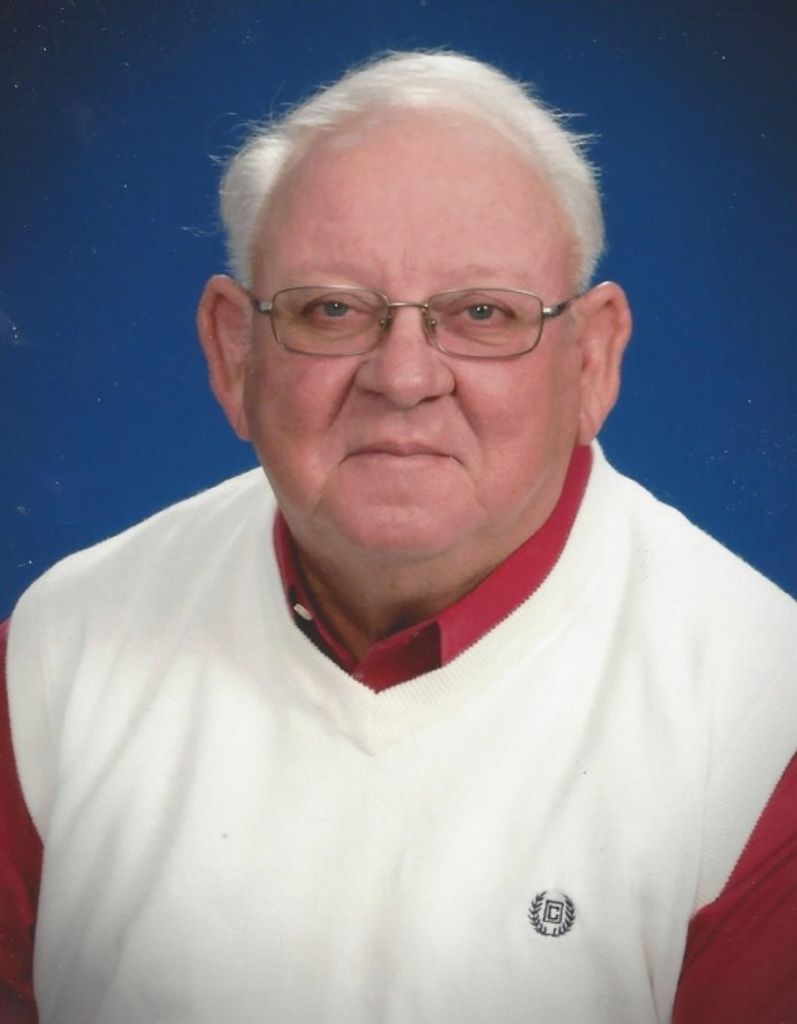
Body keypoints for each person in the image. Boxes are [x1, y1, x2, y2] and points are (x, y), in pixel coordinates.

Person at [2, 51, 795, 1024]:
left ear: (590, 361)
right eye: (331, 310)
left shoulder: (763, 715)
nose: (405, 377)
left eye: (482, 313)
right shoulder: (57, 651)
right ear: (233, 351)